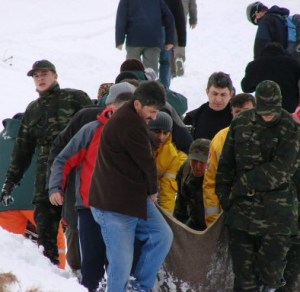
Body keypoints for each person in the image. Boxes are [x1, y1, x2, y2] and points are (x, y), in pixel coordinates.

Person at [0, 60, 92, 266]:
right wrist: (10, 183)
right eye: (36, 76)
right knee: (47, 231)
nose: (40, 79)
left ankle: (83, 273)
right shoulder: (32, 110)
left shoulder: (74, 97)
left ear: (55, 76)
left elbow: (95, 129)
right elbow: (21, 152)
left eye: (44, 74)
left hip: (75, 169)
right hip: (45, 175)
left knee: (80, 224)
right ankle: (53, 277)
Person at [48, 83, 136, 292]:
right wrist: (55, 188)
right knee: (92, 269)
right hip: (90, 208)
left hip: (124, 211)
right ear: (110, 106)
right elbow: (63, 160)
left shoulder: (138, 134)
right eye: (121, 107)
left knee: (122, 268)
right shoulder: (91, 130)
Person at [215, 80, 300, 291]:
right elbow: (226, 163)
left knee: (272, 278)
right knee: (244, 279)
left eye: (271, 111)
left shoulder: (291, 129)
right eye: (263, 111)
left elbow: (280, 171)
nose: (267, 115)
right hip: (242, 216)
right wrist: (225, 196)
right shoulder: (241, 122)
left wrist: (243, 184)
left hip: (277, 217)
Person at [89, 81, 173, 291]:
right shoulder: (128, 123)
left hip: (133, 198)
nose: (154, 117)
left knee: (162, 236)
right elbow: (146, 162)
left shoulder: (133, 117)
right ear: (137, 104)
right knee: (121, 263)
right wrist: (153, 191)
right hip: (113, 206)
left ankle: (140, 287)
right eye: (152, 111)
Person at [0, 113, 66, 269]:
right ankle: (59, 277)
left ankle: (13, 279)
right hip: (35, 202)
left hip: (5, 204)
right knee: (55, 241)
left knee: (12, 246)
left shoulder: (2, 140)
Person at [203, 93, 256, 226]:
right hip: (230, 215)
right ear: (232, 113)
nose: (242, 115)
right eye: (238, 111)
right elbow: (210, 182)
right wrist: (213, 219)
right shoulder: (219, 140)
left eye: (247, 111)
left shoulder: (268, 138)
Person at [115, 0, 175, 76]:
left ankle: (135, 85)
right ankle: (149, 86)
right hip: (153, 39)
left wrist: (119, 40)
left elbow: (121, 18)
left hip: (134, 39)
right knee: (151, 73)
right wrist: (170, 40)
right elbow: (169, 18)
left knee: (132, 70)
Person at [241, 42, 300, 113]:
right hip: (289, 108)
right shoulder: (293, 64)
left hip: (265, 110)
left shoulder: (254, 65)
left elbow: (246, 88)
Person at [148, 111, 187, 213]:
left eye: (165, 133)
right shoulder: (138, 144)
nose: (161, 137)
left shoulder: (171, 155)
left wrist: (167, 216)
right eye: (157, 131)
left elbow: (168, 191)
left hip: (152, 198)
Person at [183, 71, 234, 140]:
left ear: (231, 94)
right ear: (207, 92)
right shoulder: (192, 119)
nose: (218, 99)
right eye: (215, 94)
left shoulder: (238, 119)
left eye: (223, 95)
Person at [173, 138, 210, 231]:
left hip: (213, 225)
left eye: (202, 162)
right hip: (194, 218)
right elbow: (180, 203)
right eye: (194, 160)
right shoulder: (185, 169)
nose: (197, 166)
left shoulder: (217, 175)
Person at [159, 0, 186, 88]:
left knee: (149, 63)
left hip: (148, 31)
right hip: (167, 32)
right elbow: (180, 18)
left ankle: (146, 89)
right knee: (165, 62)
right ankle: (165, 90)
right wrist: (182, 41)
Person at [173, 0, 198, 77]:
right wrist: (193, 19)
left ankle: (172, 70)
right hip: (182, 14)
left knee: (169, 41)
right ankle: (179, 57)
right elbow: (192, 5)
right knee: (179, 39)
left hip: (167, 12)